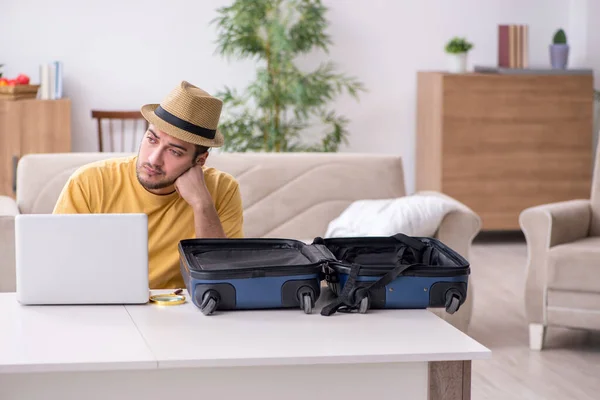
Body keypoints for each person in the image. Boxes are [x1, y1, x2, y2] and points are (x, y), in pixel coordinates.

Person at [53, 81, 244, 289]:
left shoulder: (222, 189)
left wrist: (202, 204)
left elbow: (222, 283)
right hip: (104, 309)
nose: (153, 159)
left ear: (200, 161)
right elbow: (57, 267)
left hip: (180, 313)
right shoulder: (89, 182)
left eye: (174, 152)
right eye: (152, 140)